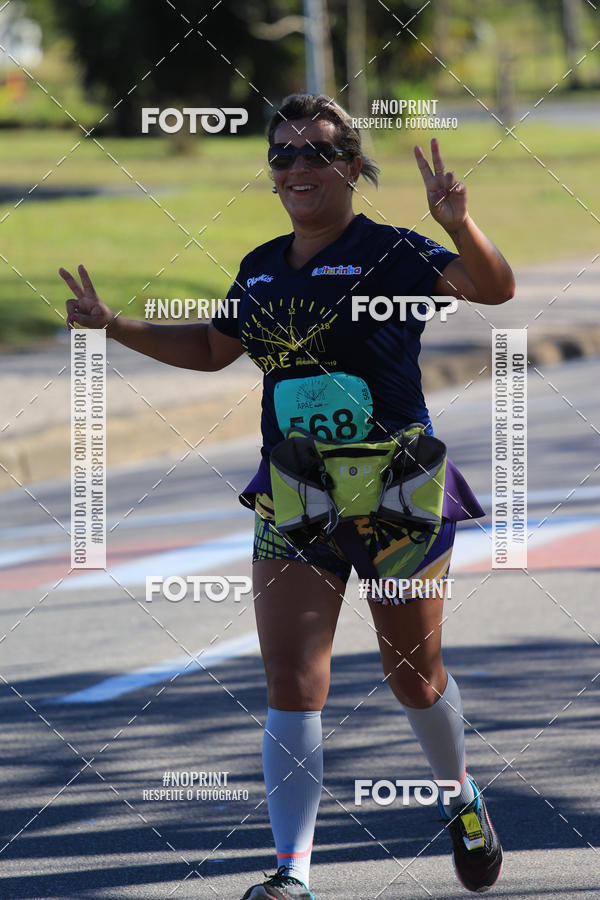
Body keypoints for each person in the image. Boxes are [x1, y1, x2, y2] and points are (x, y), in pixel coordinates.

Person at [60, 93, 515, 899]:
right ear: (272, 176)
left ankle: (460, 797)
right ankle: (290, 873)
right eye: (283, 155)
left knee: (412, 674)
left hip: (395, 487)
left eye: (317, 152)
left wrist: (456, 223)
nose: (299, 166)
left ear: (351, 167)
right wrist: (115, 326)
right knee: (292, 682)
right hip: (295, 490)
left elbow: (494, 288)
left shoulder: (393, 253)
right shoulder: (263, 265)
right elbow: (209, 347)